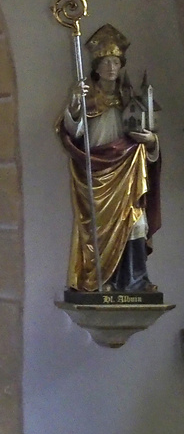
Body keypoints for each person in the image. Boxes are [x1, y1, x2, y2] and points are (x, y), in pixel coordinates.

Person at [59, 23, 161, 293]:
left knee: (136, 222)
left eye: (115, 62)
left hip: (129, 166)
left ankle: (135, 282)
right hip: (97, 172)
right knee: (99, 229)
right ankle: (103, 281)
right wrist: (74, 106)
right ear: (96, 66)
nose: (111, 68)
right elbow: (74, 134)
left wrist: (151, 142)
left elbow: (148, 132)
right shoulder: (87, 97)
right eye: (106, 62)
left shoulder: (130, 96)